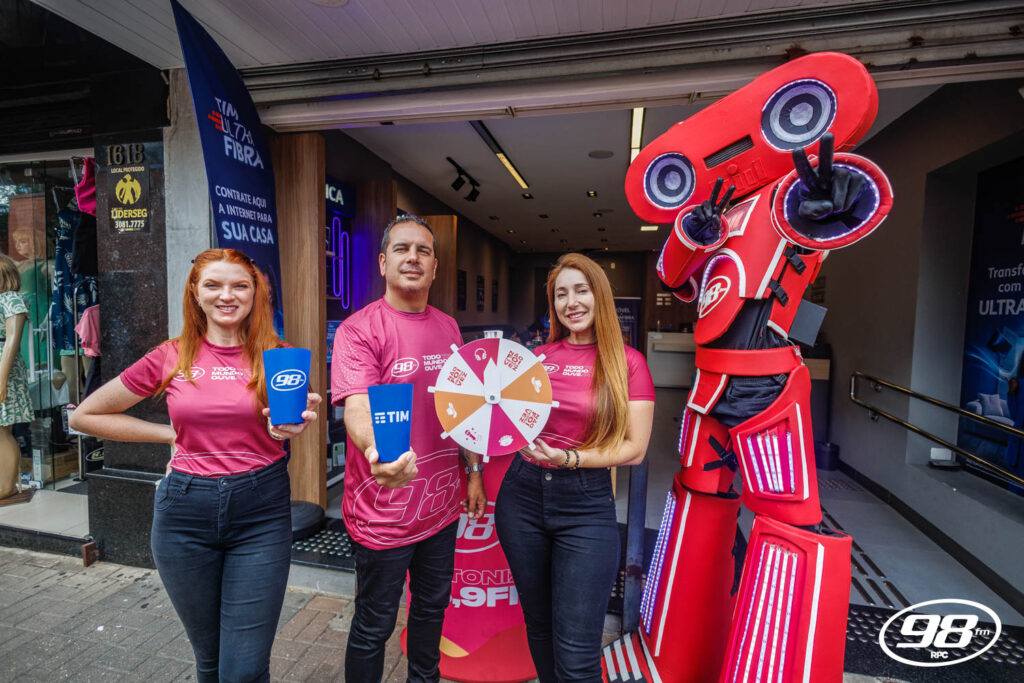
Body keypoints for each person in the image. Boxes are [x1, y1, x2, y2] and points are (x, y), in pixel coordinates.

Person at [71, 248, 320, 682]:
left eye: (240, 285)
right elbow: (84, 416)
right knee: (210, 661)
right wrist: (170, 436)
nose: (227, 295)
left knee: (243, 670)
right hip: (184, 514)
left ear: (255, 293)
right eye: (213, 285)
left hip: (260, 513)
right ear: (195, 293)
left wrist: (290, 427)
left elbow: (291, 421)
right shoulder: (171, 356)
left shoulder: (280, 356)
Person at [332, 214, 486, 683]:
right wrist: (378, 455)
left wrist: (473, 471)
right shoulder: (359, 330)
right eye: (402, 249)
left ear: (435, 267)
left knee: (432, 611)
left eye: (423, 251)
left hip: (440, 507)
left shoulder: (450, 327)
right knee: (373, 626)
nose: (413, 258)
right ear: (383, 262)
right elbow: (357, 407)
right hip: (383, 511)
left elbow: (464, 408)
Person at [495, 252, 655, 682]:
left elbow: (635, 448)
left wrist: (569, 458)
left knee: (577, 655)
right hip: (522, 495)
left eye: (581, 291)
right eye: (561, 294)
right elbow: (500, 417)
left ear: (599, 295)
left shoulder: (628, 362)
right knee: (540, 625)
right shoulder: (536, 357)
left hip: (585, 504)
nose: (571, 302)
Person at [0, 254, 32, 499]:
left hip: (4, 367)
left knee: (2, 430)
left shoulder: (11, 299)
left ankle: (7, 486)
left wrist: (2, 380)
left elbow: (12, 339)